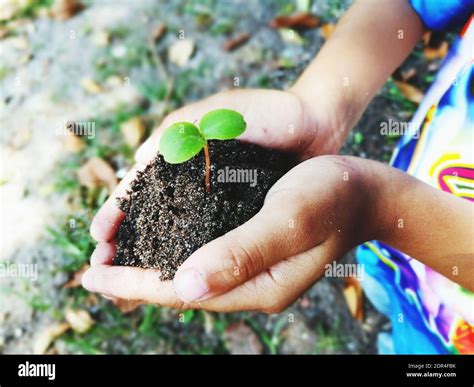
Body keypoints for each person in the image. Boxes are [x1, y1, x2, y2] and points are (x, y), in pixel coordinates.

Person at [81, 0, 474, 354]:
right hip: (393, 254)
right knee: (390, 292)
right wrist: (316, 107)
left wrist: (383, 207)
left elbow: (385, 208)